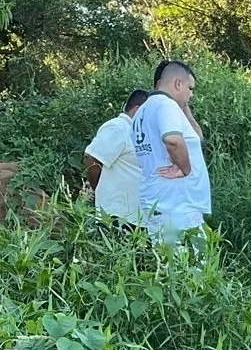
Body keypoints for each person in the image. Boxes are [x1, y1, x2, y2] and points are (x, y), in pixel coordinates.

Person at [132, 60, 211, 245]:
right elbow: (173, 140)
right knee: (193, 269)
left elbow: (195, 138)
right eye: (190, 89)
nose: (191, 95)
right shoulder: (166, 105)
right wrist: (185, 169)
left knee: (171, 268)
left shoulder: (141, 112)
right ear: (178, 84)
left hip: (160, 203)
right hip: (177, 208)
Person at [83, 89, 149, 229]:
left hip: (136, 218)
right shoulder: (119, 127)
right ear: (138, 110)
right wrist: (97, 186)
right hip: (116, 216)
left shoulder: (139, 134)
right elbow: (91, 158)